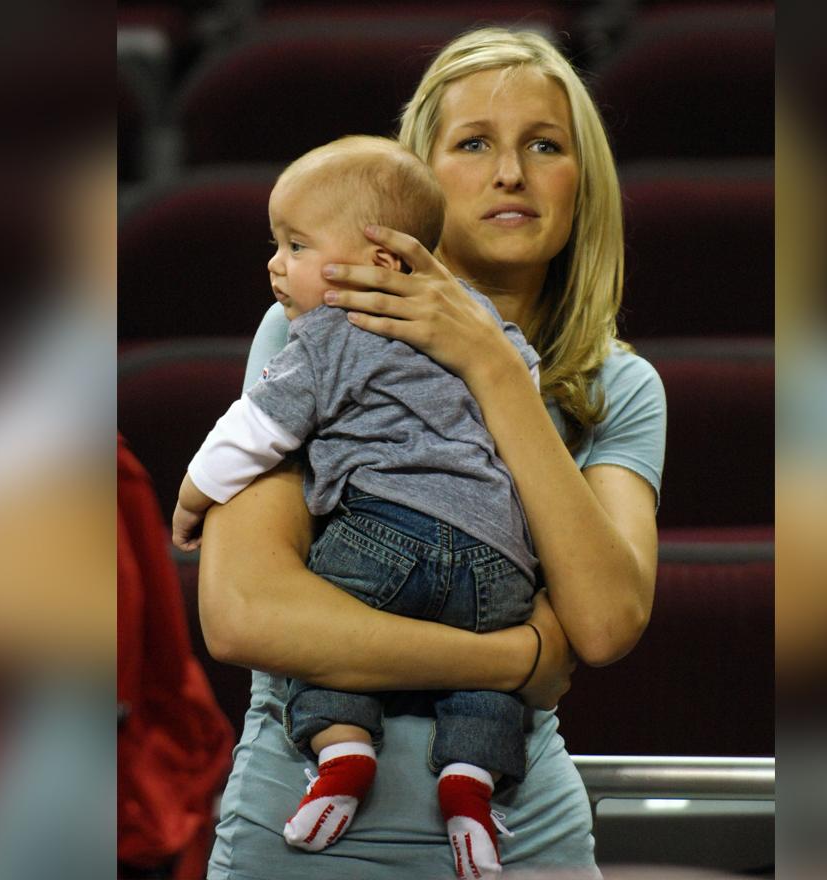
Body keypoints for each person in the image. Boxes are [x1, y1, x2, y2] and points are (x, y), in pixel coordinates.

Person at [199, 27, 665, 880]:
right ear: (416, 177)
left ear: (580, 182)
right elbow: (244, 612)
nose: (511, 173)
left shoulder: (622, 386)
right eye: (475, 142)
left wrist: (492, 366)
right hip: (301, 829)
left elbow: (602, 623)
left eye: (545, 145)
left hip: (525, 836)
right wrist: (515, 658)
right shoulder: (314, 324)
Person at [171, 135, 543, 871]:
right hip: (499, 563)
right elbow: (522, 399)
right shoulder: (479, 327)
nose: (275, 264)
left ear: (379, 261)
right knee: (487, 680)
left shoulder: (325, 334)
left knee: (321, 630)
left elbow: (255, 431)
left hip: (386, 539)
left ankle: (341, 750)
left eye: (297, 245)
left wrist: (190, 499)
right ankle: (471, 781)